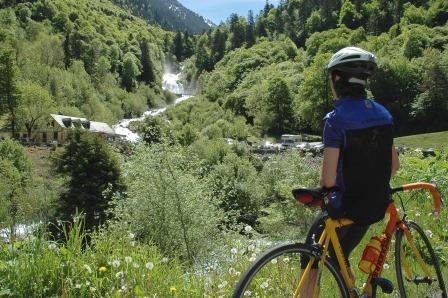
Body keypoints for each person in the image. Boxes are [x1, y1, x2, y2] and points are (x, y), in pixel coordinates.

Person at [300, 46, 400, 296]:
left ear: (337, 79)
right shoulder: (384, 114)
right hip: (375, 205)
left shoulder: (335, 120)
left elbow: (328, 179)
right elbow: (394, 166)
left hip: (347, 207)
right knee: (339, 257)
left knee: (312, 256)